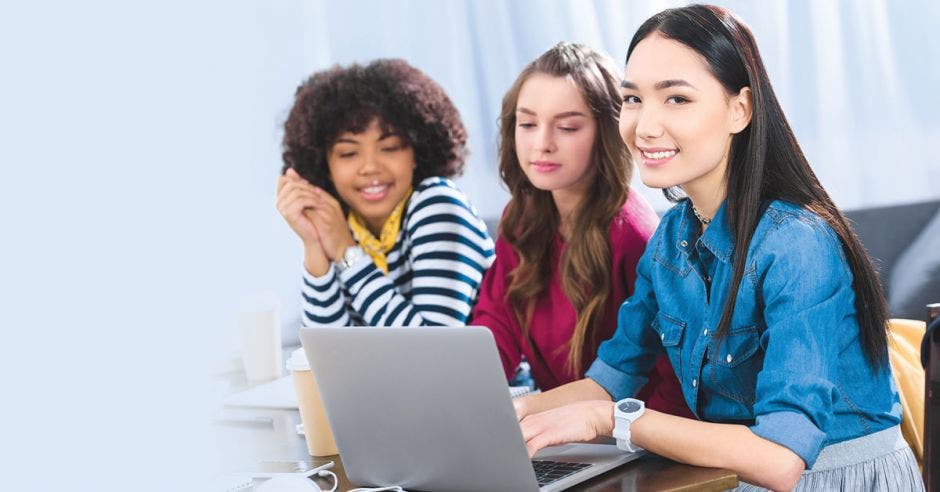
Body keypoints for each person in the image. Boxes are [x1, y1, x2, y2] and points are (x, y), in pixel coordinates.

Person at [514, 6, 923, 491]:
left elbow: (780, 459)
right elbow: (610, 380)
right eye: (633, 98)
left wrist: (615, 420)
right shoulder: (671, 239)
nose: (644, 126)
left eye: (677, 99)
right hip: (741, 479)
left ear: (740, 110)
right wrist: (509, 412)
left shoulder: (798, 242)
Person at [470, 42, 692, 418]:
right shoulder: (521, 220)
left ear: (607, 131)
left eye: (567, 127)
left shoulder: (634, 236)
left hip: (633, 440)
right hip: (561, 431)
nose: (541, 144)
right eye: (527, 124)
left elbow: (667, 385)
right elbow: (495, 329)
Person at [277, 59, 495, 328]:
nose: (370, 167)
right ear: (326, 165)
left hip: (485, 372)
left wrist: (347, 252)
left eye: (390, 147)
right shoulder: (343, 225)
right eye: (348, 153)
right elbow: (332, 353)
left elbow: (431, 350)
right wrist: (314, 245)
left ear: (417, 152)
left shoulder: (437, 206)